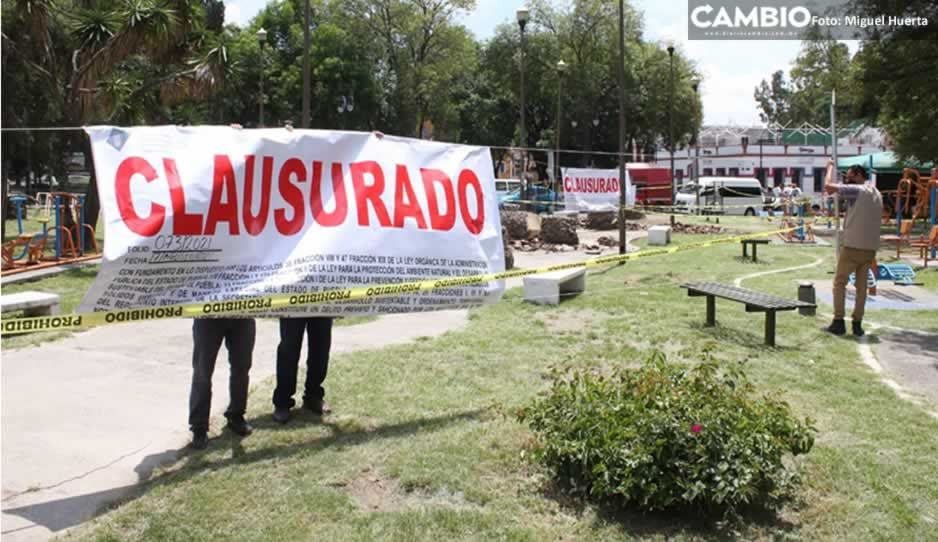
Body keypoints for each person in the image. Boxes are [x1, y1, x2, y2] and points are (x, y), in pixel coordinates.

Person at [823, 160, 883, 336]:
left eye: (849, 177)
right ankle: (857, 323)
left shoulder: (856, 190)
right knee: (861, 287)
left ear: (858, 176)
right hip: (869, 248)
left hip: (852, 246)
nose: (846, 181)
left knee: (840, 282)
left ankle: (838, 321)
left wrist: (830, 167)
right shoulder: (876, 192)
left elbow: (828, 187)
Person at [189, 317, 256, 449]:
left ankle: (236, 415)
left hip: (243, 315)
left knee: (242, 367)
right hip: (208, 316)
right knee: (203, 372)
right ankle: (199, 428)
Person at [272, 317, 334, 423]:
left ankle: (313, 396)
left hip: (323, 305)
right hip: (292, 305)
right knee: (289, 350)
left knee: (321, 350)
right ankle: (283, 402)